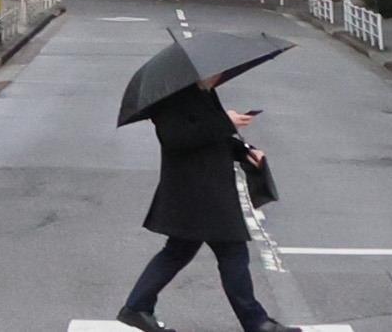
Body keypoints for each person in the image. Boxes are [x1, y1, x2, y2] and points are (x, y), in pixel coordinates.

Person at [116, 64, 282, 332]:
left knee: (179, 251)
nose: (221, 76)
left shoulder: (202, 92)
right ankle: (256, 323)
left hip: (202, 191)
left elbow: (213, 137)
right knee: (232, 252)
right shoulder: (171, 99)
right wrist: (225, 122)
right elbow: (176, 139)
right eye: (216, 72)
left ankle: (136, 307)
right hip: (197, 191)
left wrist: (245, 151)